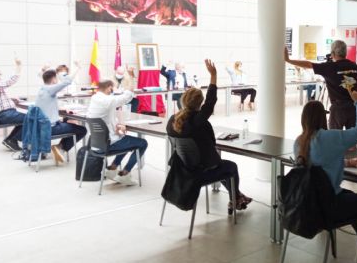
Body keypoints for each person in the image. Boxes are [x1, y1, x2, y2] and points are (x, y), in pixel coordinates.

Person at [294, 87, 357, 263]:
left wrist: (346, 163)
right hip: (328, 207)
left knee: (351, 198)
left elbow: (317, 164)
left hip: (308, 206)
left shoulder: (299, 142)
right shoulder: (331, 137)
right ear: (323, 117)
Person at [167, 59, 252, 211]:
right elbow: (211, 101)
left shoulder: (172, 121)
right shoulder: (198, 121)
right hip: (200, 171)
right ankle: (235, 198)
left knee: (221, 166)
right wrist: (213, 75)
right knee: (230, 167)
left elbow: (209, 104)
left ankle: (237, 197)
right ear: (200, 103)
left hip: (182, 169)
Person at [285, 40, 357, 129]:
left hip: (338, 109)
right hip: (353, 106)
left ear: (333, 53)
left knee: (334, 135)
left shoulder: (329, 67)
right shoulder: (355, 66)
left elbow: (309, 65)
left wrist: (288, 60)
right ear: (345, 52)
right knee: (353, 135)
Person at [86, 80, 148, 186]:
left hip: (96, 145)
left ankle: (112, 168)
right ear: (109, 87)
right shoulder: (107, 100)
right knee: (142, 143)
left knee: (124, 138)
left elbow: (105, 118)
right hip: (108, 144)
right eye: (113, 88)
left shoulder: (94, 98)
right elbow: (126, 97)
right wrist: (131, 84)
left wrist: (117, 125)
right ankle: (125, 174)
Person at [36, 66, 87, 163]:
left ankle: (58, 148)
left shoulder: (42, 89)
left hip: (41, 127)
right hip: (51, 128)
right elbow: (68, 81)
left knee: (67, 122)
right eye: (56, 78)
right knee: (82, 130)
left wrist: (60, 109)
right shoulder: (51, 89)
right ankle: (60, 148)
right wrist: (60, 74)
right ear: (53, 79)